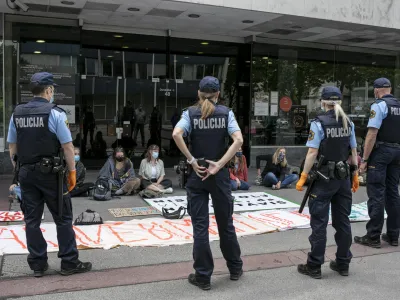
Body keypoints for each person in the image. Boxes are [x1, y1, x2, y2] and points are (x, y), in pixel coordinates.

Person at [6, 72, 91, 277]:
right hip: (51, 175)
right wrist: (72, 172)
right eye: (53, 89)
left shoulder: (17, 113)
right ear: (49, 90)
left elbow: (12, 147)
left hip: (26, 173)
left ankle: (38, 264)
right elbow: (68, 147)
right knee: (62, 218)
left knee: (32, 220)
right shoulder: (55, 113)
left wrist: (19, 170)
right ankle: (69, 262)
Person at [172, 76, 244, 290]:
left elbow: (176, 133)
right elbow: (239, 140)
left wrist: (192, 160)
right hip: (218, 174)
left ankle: (203, 275)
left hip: (197, 173)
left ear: (198, 94)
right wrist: (221, 164)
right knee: (225, 224)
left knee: (200, 227)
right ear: (218, 95)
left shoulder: (190, 114)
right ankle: (235, 268)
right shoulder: (226, 113)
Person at [295, 86, 359, 279]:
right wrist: (355, 174)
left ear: (323, 102)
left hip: (323, 180)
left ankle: (314, 265)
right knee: (343, 222)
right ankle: (343, 263)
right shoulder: (349, 122)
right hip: (343, 178)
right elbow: (354, 152)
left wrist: (303, 176)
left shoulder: (318, 123)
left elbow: (312, 153)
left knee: (319, 223)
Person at [355, 78, 400, 248]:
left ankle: (373, 236)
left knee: (377, 194)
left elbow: (372, 134)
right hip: (397, 153)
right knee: (393, 194)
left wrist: (364, 160)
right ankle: (393, 235)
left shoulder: (379, 105)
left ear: (377, 90)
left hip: (381, 153)